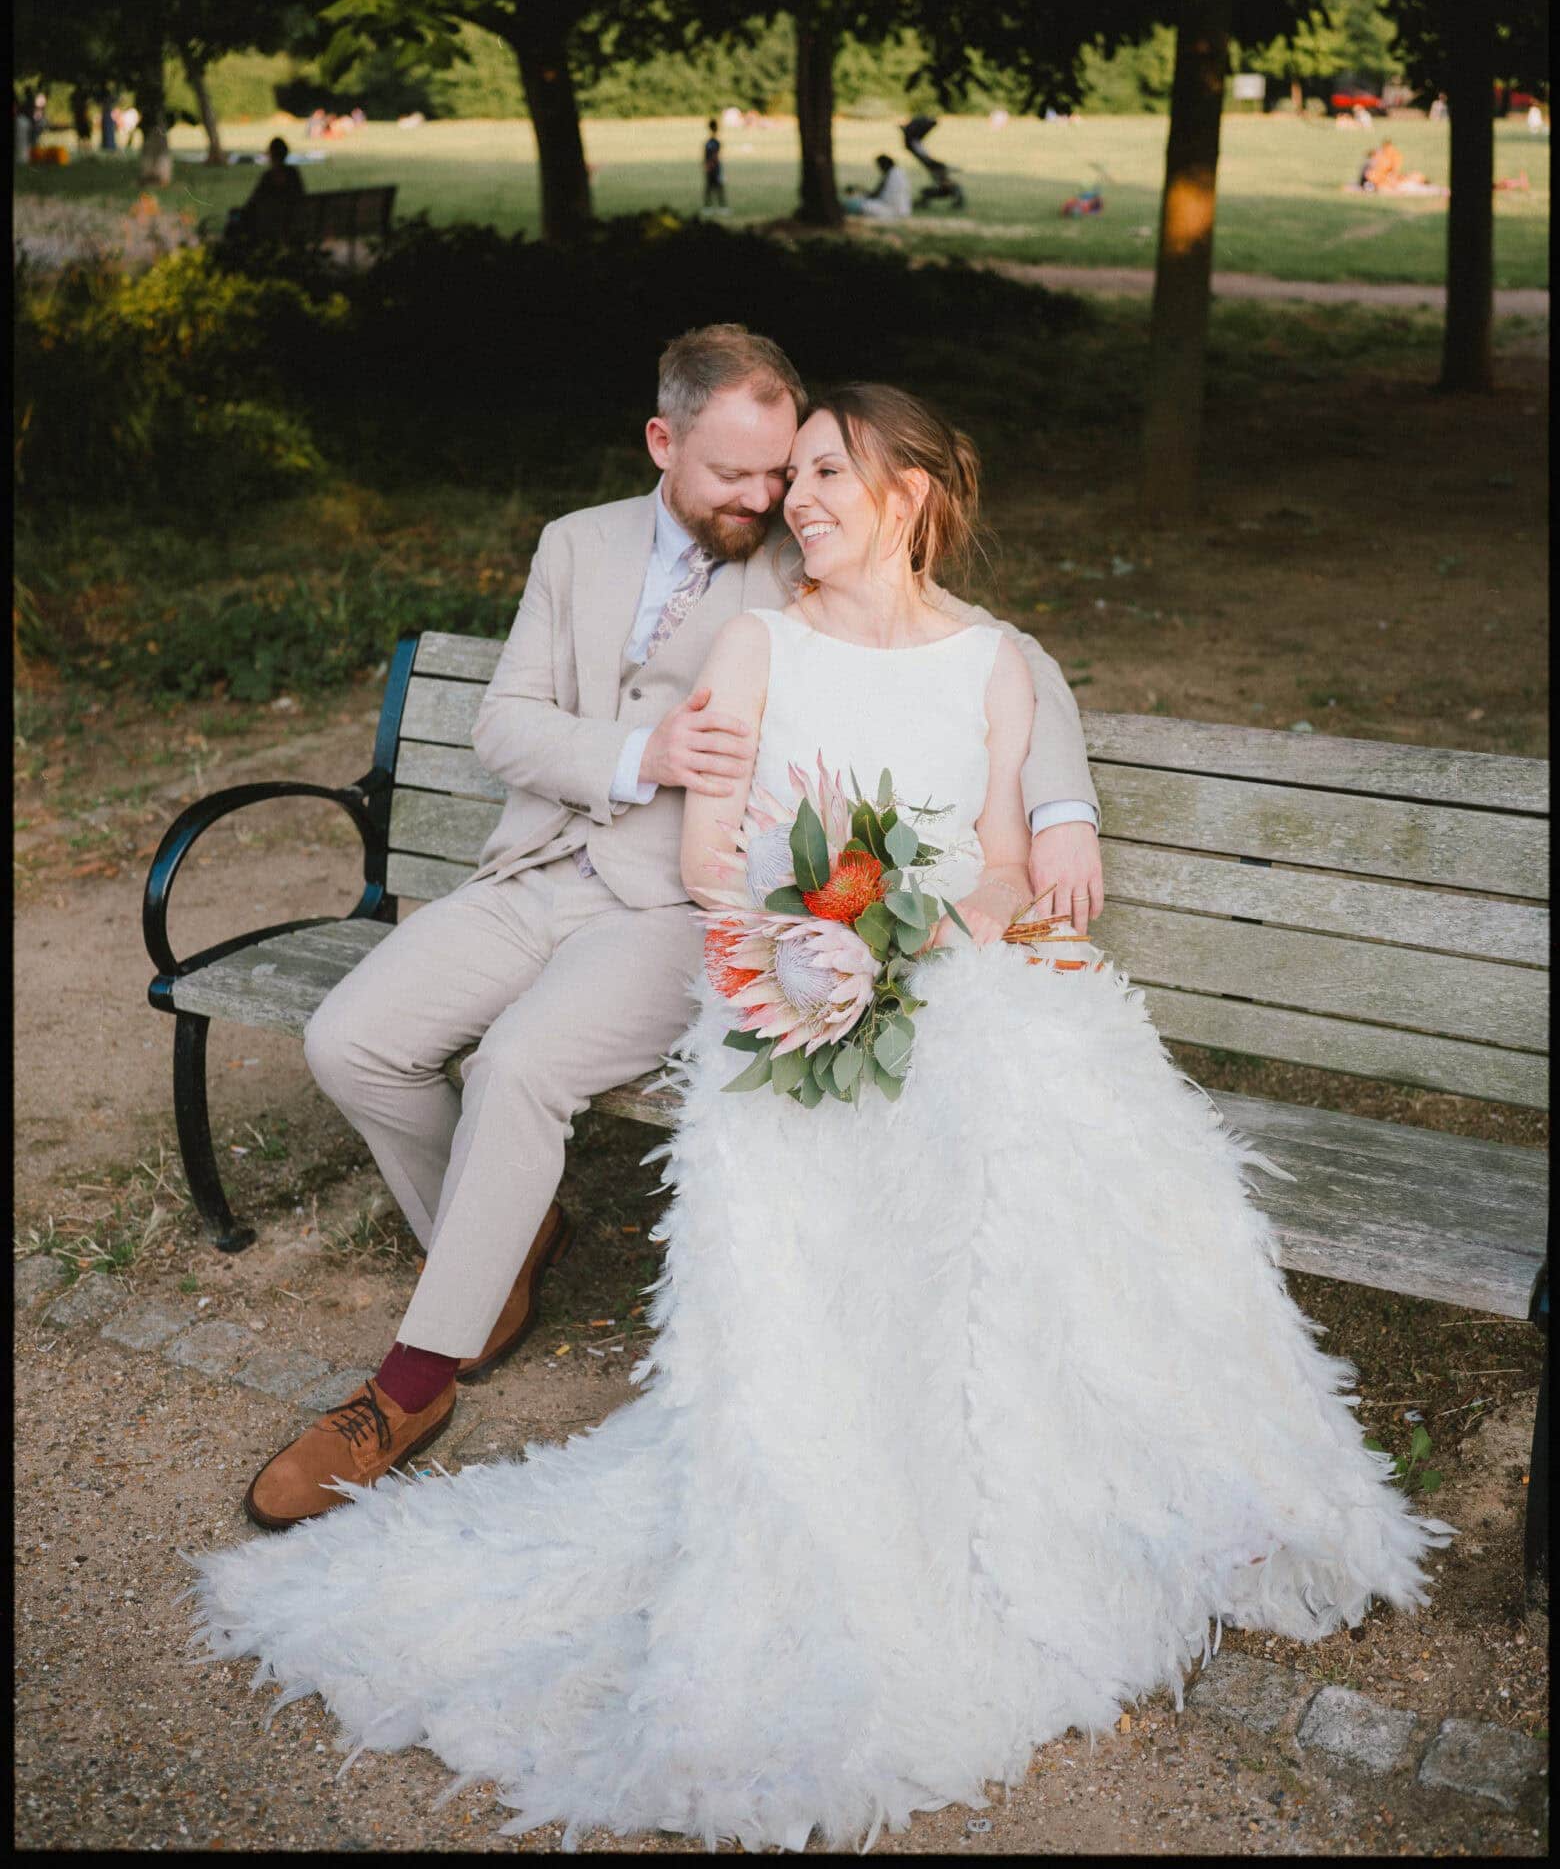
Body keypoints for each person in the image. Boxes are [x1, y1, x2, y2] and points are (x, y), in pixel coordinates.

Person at [186, 371, 1450, 1854]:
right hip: (769, 959)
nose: (798, 499)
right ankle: (660, 1389)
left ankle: (1091, 1467)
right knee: (664, 1093)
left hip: (939, 966)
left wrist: (961, 890)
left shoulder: (990, 658)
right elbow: (719, 851)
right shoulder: (751, 629)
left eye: (829, 474)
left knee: (1033, 1097)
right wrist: (804, 940)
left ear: (909, 494)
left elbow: (992, 860)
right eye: (789, 479)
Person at [842, 151, 912, 220]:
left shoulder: (891, 175)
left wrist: (860, 191)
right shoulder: (898, 173)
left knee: (854, 204)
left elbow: (875, 195)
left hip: (890, 210)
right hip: (903, 210)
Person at [701, 116, 725, 210]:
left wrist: (706, 165)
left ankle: (708, 206)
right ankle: (722, 206)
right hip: (715, 167)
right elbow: (715, 155)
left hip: (709, 167)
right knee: (718, 187)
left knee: (708, 187)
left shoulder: (708, 142)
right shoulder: (716, 142)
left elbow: (705, 155)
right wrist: (711, 164)